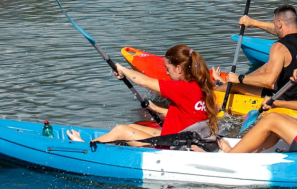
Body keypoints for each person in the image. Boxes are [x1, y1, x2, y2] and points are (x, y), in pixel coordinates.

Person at [67, 45, 217, 146]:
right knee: (133, 126)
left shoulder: (181, 88)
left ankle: (85, 147)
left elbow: (144, 81)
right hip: (182, 138)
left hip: (173, 146)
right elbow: (189, 113)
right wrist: (157, 109)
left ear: (179, 68)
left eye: (167, 68)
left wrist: (121, 68)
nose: (166, 72)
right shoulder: (200, 86)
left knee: (121, 131)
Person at [215, 4, 297, 104]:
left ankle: (212, 94)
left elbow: (269, 80)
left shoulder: (279, 47)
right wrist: (252, 22)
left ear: (280, 23)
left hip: (288, 99)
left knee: (235, 85)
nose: (274, 27)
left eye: (275, 23)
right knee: (267, 66)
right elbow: (277, 29)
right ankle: (228, 83)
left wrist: (239, 78)